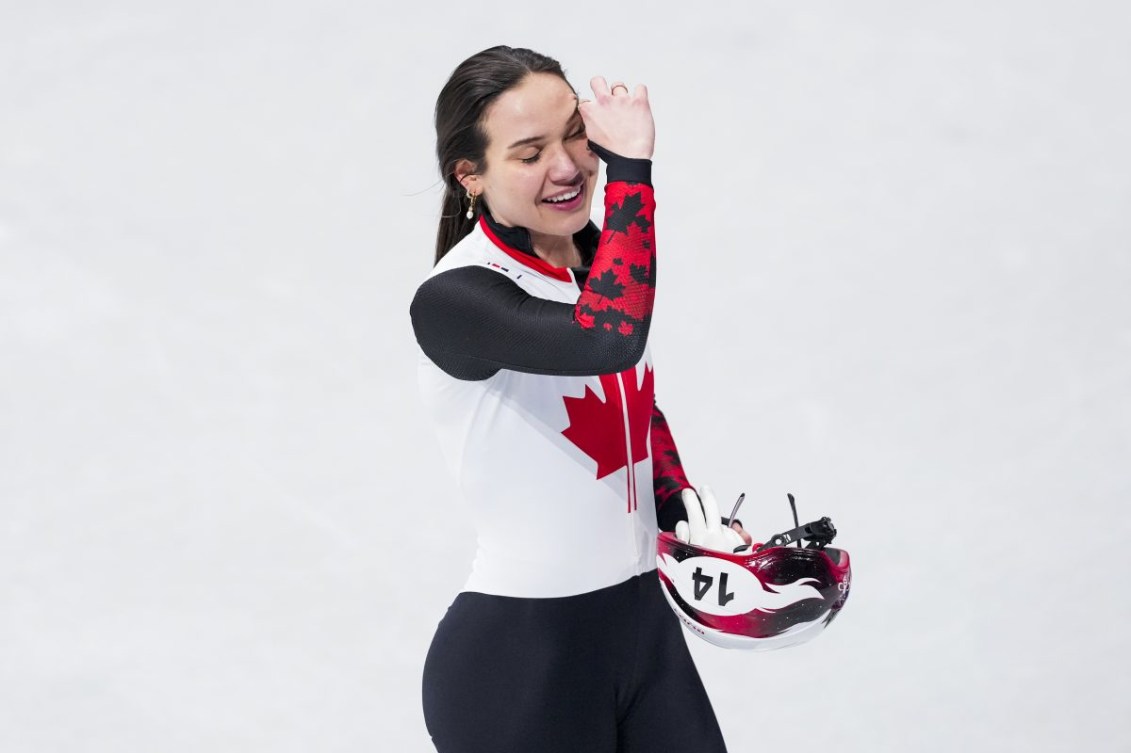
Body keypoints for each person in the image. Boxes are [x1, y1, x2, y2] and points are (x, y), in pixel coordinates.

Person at [410, 45, 748, 753]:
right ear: (470, 176)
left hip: (645, 634)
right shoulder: (454, 299)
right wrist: (630, 171)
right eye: (530, 153)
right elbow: (608, 340)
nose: (567, 167)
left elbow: (635, 413)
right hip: (521, 662)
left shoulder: (597, 265)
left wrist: (687, 521)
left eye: (575, 135)